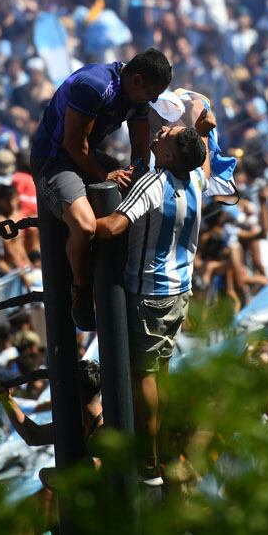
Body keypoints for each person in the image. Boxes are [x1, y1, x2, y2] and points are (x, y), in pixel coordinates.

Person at [92, 116, 210, 479]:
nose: (161, 131)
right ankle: (166, 449)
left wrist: (73, 222)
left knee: (144, 375)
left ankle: (148, 460)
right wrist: (203, 131)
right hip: (179, 292)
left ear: (171, 156)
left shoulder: (155, 183)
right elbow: (202, 157)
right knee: (160, 372)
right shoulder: (195, 178)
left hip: (148, 294)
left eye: (168, 136)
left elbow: (112, 227)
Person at [29, 49, 173, 330]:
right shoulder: (94, 87)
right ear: (137, 80)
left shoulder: (136, 96)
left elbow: (140, 147)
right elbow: (73, 144)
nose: (154, 100)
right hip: (55, 160)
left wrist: (137, 175)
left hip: (88, 156)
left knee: (139, 204)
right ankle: (80, 290)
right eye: (153, 93)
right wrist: (107, 174)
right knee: (84, 228)